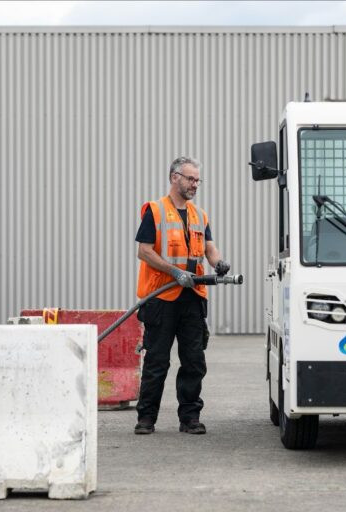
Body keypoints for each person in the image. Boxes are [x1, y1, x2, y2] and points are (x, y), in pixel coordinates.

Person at [133, 156, 230, 435]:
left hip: (192, 298)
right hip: (162, 299)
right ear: (174, 177)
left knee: (194, 360)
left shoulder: (200, 215)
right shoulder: (155, 210)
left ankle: (189, 418)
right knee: (157, 361)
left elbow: (209, 247)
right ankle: (146, 418)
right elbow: (144, 250)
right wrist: (173, 272)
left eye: (198, 180)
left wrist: (219, 262)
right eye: (190, 179)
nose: (195, 184)